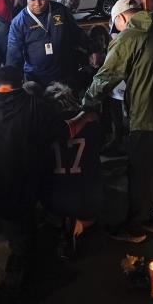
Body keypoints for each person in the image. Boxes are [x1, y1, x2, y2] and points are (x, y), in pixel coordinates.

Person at [0, 65, 94, 304]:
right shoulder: (35, 107)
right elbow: (66, 131)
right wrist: (87, 116)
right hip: (18, 196)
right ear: (22, 83)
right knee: (23, 245)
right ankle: (19, 268)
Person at [82, 0, 153, 243]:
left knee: (140, 173)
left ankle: (136, 227)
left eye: (116, 25)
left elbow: (106, 77)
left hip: (147, 117)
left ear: (121, 18)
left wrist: (86, 104)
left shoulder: (129, 37)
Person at [43, 82, 102, 259]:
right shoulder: (89, 122)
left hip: (55, 199)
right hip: (87, 197)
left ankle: (62, 224)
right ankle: (82, 224)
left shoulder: (45, 126)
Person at [6, 0, 91, 88]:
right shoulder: (18, 22)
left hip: (65, 76)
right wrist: (11, 83)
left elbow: (77, 34)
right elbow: (13, 55)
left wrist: (93, 50)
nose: (37, 3)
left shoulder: (61, 11)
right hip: (37, 80)